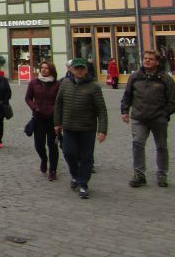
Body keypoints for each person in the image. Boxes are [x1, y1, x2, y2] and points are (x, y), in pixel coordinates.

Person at [54, 57, 108, 199]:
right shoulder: (65, 84)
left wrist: (102, 130)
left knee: (86, 157)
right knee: (68, 153)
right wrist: (57, 123)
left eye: (82, 68)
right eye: (76, 68)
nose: (79, 71)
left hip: (87, 128)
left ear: (86, 70)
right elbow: (58, 104)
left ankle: (83, 183)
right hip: (69, 127)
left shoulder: (94, 87)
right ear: (71, 70)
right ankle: (76, 175)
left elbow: (101, 110)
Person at [121, 50, 175, 188]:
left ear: (157, 62)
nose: (147, 61)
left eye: (150, 59)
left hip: (158, 119)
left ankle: (162, 174)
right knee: (137, 143)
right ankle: (139, 174)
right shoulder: (135, 76)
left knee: (161, 146)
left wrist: (165, 113)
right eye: (145, 58)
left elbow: (172, 100)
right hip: (139, 118)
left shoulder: (165, 79)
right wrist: (125, 110)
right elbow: (127, 95)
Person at [25, 61, 61, 181]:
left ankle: (53, 170)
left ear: (51, 70)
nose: (44, 70)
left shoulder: (57, 84)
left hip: (53, 119)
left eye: (46, 68)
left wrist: (56, 113)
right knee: (39, 144)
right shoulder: (34, 82)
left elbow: (60, 101)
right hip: (38, 118)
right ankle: (44, 159)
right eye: (42, 68)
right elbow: (28, 98)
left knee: (53, 145)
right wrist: (34, 107)